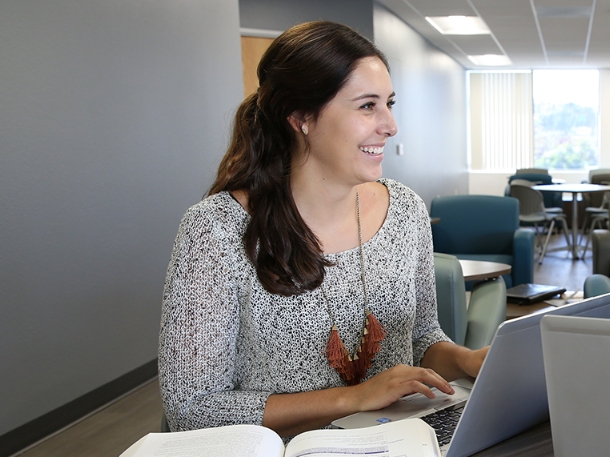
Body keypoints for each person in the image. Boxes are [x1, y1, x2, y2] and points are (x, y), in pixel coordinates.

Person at [158, 20, 488, 439]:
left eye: (390, 103)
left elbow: (422, 339)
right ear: (301, 117)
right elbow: (192, 407)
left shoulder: (405, 209)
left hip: (399, 441)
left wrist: (468, 361)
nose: (390, 125)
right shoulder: (216, 230)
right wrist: (353, 398)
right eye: (367, 106)